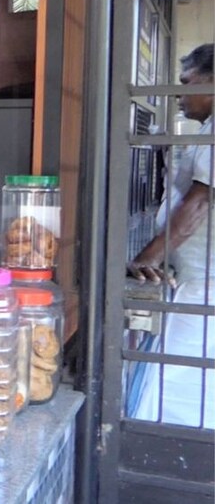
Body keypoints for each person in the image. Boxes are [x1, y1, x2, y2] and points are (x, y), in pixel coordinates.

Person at [127, 43, 215, 428]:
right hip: (197, 277)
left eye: (186, 84)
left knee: (177, 376)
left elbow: (198, 205)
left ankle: (165, 450)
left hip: (206, 285)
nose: (178, 96)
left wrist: (147, 257)